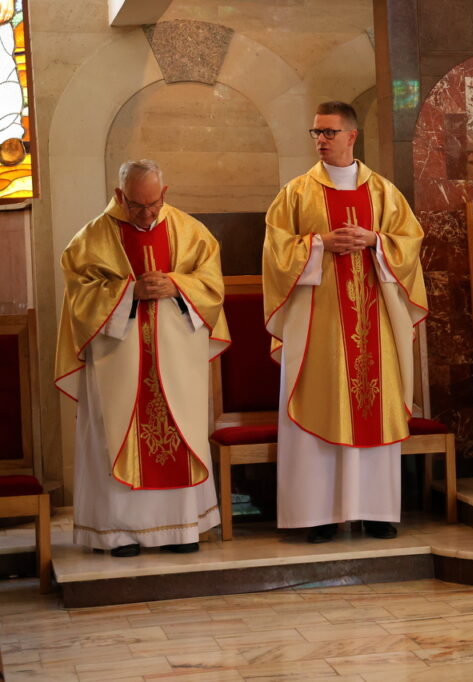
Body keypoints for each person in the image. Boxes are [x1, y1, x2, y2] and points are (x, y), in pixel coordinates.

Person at [263, 101, 427, 542]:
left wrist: (376, 241)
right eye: (316, 132)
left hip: (374, 326)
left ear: (352, 136)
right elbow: (276, 253)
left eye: (329, 132)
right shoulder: (296, 193)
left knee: (375, 407)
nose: (321, 139)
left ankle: (375, 512)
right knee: (320, 404)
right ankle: (318, 516)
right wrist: (319, 244)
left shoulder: (384, 192)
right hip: (319, 328)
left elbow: (410, 243)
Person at [55, 159, 229, 557]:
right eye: (137, 205)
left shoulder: (191, 232)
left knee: (179, 431)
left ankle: (181, 529)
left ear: (164, 193)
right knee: (115, 431)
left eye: (154, 204)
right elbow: (79, 298)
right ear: (120, 195)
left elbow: (212, 286)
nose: (148, 214)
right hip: (118, 360)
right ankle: (119, 533)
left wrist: (177, 285)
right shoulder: (91, 239)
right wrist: (128, 293)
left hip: (175, 357)